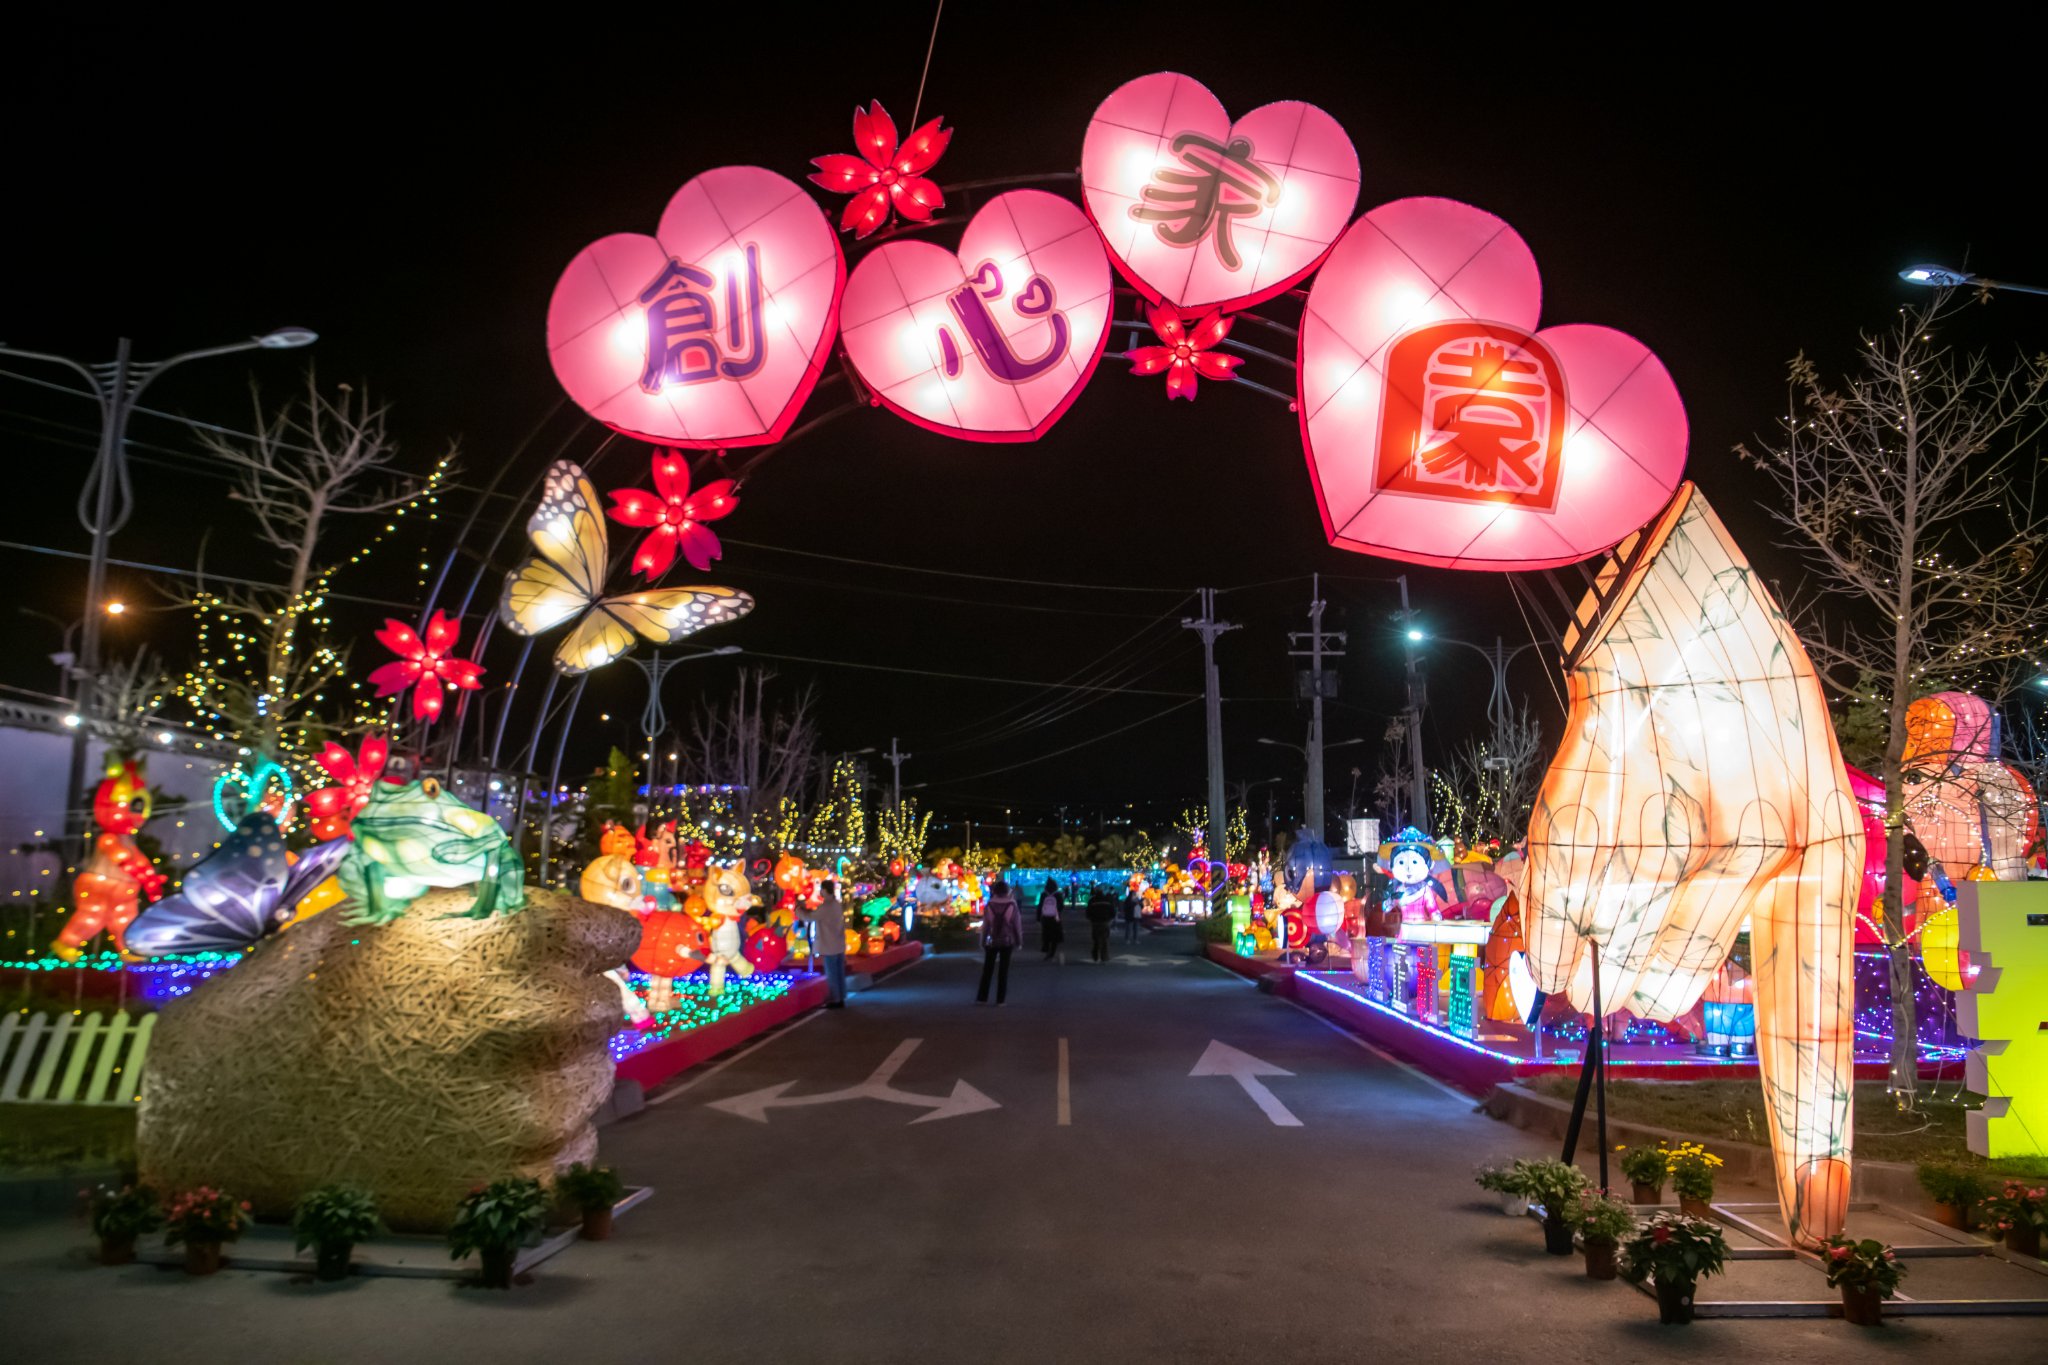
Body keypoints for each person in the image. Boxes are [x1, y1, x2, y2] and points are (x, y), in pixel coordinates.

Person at [802, 880, 849, 1007]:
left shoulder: (826, 907)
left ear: (825, 890)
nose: (819, 892)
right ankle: (841, 997)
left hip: (830, 946)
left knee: (832, 973)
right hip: (838, 944)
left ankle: (835, 1000)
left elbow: (811, 917)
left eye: (821, 889)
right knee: (839, 973)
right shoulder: (836, 904)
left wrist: (798, 911)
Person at [978, 878, 1022, 1005]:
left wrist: (982, 941)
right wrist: (1019, 941)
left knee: (988, 969)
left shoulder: (990, 905)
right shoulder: (1012, 905)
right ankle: (1000, 1000)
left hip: (992, 940)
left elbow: (986, 925)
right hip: (1007, 941)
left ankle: (982, 997)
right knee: (1003, 971)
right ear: (1008, 891)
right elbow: (1017, 925)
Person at [1086, 884, 1116, 962]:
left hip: (1095, 922)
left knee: (1096, 939)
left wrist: (1091, 919)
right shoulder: (1107, 900)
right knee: (1105, 940)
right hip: (1105, 922)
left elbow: (1088, 912)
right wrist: (1110, 919)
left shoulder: (1092, 900)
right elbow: (1113, 912)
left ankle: (1095, 955)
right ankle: (1104, 957)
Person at [1038, 879, 1065, 961]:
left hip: (1045, 918)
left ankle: (1046, 948)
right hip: (1055, 918)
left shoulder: (1044, 894)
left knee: (1046, 934)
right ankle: (1052, 953)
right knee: (1055, 936)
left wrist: (1038, 918)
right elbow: (1061, 906)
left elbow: (1040, 906)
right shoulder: (1058, 894)